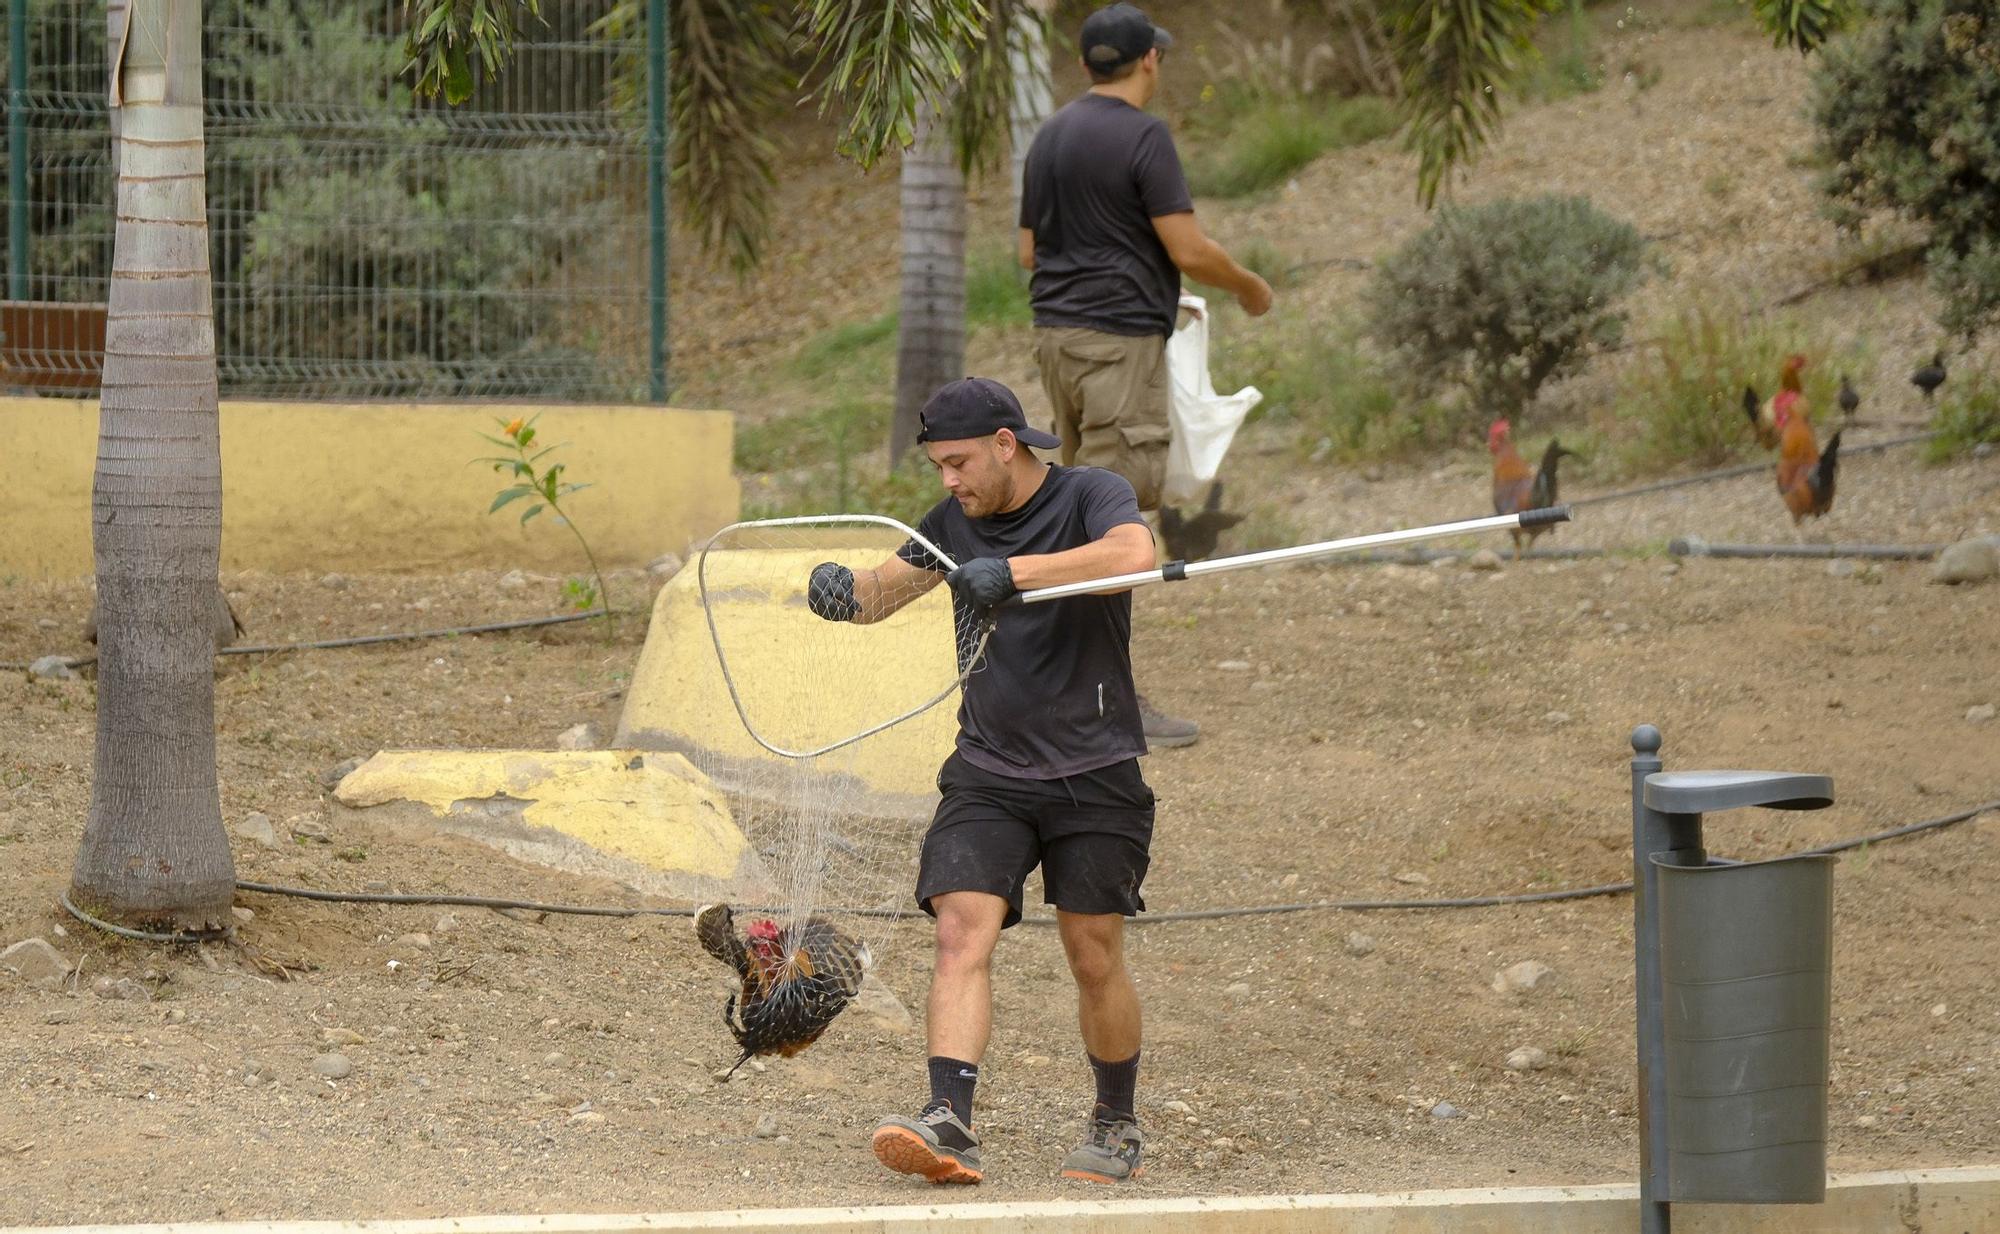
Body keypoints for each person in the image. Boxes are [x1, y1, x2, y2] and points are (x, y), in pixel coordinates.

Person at [806, 376, 1160, 1185]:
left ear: (1006, 445)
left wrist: (1014, 571)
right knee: (960, 931)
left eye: (959, 462)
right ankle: (949, 1121)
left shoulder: (1090, 494)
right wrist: (839, 594)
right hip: (988, 769)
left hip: (1095, 768)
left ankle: (1115, 1122)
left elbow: (1132, 557)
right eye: (938, 466)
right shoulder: (949, 523)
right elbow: (879, 595)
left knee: (1093, 953)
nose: (949, 480)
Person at [1017, 1, 1274, 749]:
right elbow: (1188, 248)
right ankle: (1104, 699)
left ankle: (1067, 689)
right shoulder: (1143, 136)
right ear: (1149, 60)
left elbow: (1030, 253)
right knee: (1114, 524)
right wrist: (1249, 286)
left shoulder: (1051, 136)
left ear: (1085, 63)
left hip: (1057, 343)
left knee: (1077, 514)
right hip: (1117, 349)